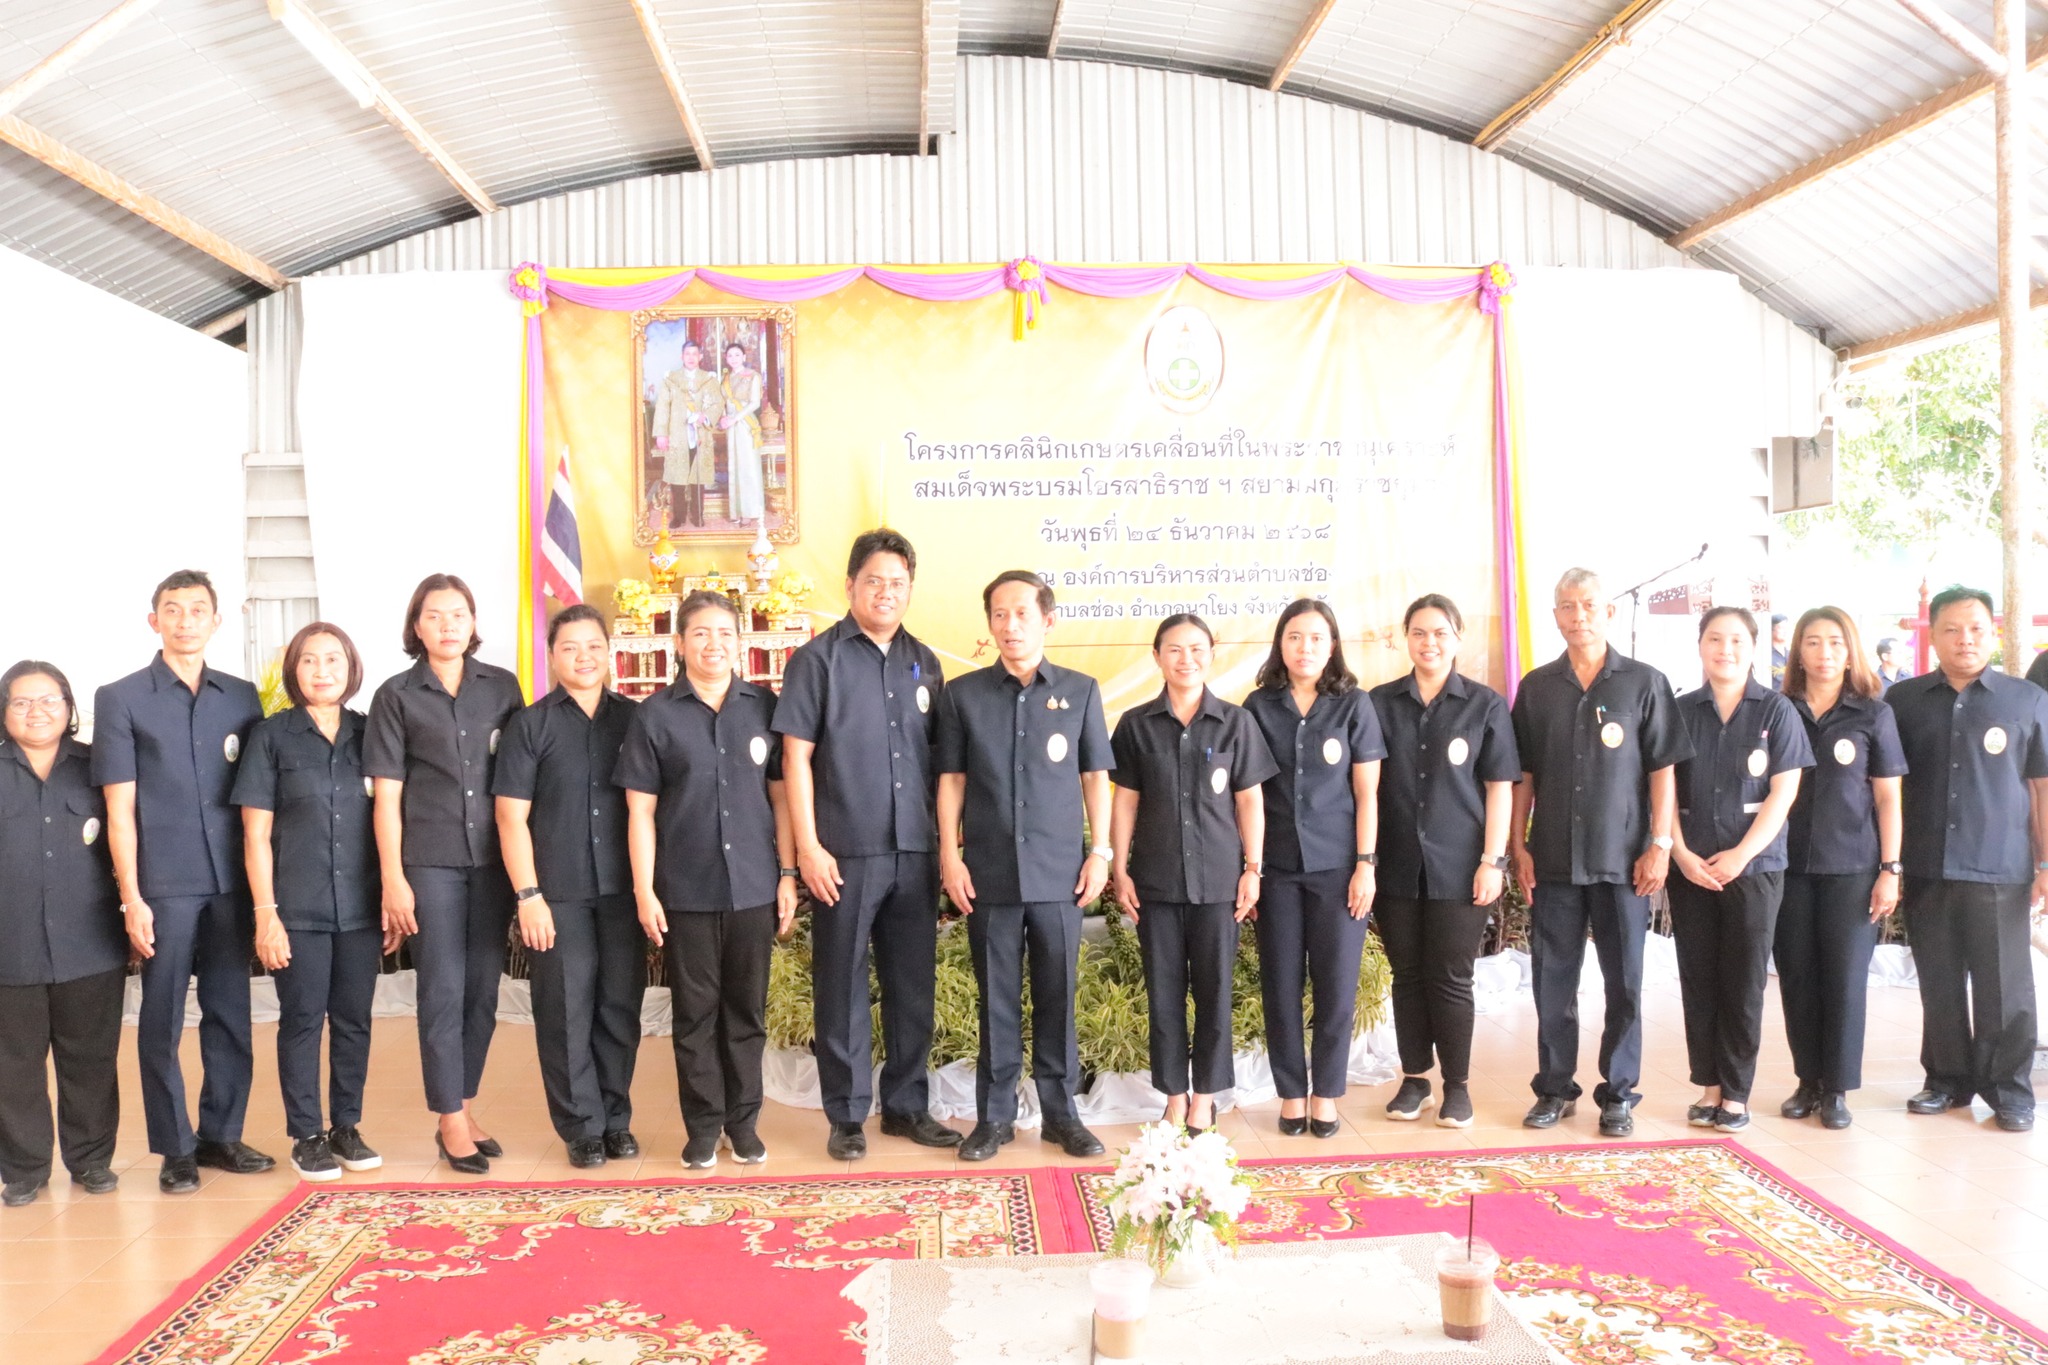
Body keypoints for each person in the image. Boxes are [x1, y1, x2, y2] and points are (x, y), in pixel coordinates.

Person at [773, 529, 958, 1159]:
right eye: (874, 581)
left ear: (910, 589)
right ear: (850, 584)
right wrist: (808, 848)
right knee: (842, 983)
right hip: (844, 853)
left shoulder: (924, 661)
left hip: (914, 850)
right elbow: (795, 759)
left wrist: (945, 846)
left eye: (898, 583)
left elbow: (940, 763)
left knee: (912, 984)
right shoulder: (816, 660)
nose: (886, 592)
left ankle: (907, 1107)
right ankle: (847, 1114)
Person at [93, 569, 270, 1193]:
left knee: (230, 1012)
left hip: (230, 882)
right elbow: (118, 810)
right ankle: (175, 1148)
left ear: (216, 621)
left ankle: (222, 1134)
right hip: (164, 884)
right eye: (173, 609)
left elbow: (257, 798)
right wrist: (131, 897)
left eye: (198, 609)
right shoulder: (121, 698)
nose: (185, 620)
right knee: (162, 1017)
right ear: (154, 621)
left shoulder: (242, 697)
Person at [935, 571, 1112, 1161]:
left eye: (1022, 614)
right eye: (999, 615)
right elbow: (952, 781)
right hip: (988, 873)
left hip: (1061, 873)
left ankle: (1062, 1116)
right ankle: (994, 1119)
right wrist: (950, 856)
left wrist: (1101, 852)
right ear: (989, 623)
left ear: (1047, 620)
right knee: (997, 1000)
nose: (1010, 625)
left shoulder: (1081, 691)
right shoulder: (963, 695)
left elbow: (1095, 777)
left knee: (1058, 997)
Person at [618, 591, 798, 1167]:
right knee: (694, 1015)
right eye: (700, 633)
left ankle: (742, 1123)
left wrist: (788, 873)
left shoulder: (764, 707)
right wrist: (645, 889)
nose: (713, 644)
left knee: (746, 1012)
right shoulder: (654, 715)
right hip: (685, 890)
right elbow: (640, 811)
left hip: (754, 887)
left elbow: (782, 798)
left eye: (724, 633)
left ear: (740, 642)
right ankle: (702, 1126)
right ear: (679, 643)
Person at [1509, 568, 1690, 1139]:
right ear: (1555, 616)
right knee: (1552, 982)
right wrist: (1517, 845)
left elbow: (1663, 771)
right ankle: (1554, 1088)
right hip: (1554, 859)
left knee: (1625, 983)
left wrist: (1660, 844)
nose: (1579, 615)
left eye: (1589, 604)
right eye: (1567, 606)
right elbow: (1524, 775)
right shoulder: (1537, 687)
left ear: (1609, 612)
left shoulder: (1645, 683)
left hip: (1625, 861)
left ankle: (1619, 1093)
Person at [364, 573, 526, 1173]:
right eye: (434, 616)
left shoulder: (502, 687)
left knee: (483, 989)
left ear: (473, 623)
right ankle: (449, 1118)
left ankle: (465, 1106)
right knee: (442, 989)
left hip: (492, 863)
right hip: (429, 863)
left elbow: (519, 780)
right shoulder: (396, 696)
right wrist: (392, 878)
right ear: (417, 626)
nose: (447, 626)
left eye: (458, 615)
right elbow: (386, 797)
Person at [1110, 613, 1278, 1135]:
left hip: (1220, 882)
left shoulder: (1236, 722)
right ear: (1157, 657)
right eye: (1175, 649)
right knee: (1163, 994)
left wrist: (1253, 869)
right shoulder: (1135, 725)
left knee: (1214, 991)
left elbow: (1250, 801)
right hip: (1156, 882)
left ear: (1211, 654)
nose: (1187, 659)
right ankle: (1174, 1098)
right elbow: (1125, 803)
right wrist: (1119, 868)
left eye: (1197, 649)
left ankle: (1205, 1097)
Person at [1887, 587, 2048, 1131]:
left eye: (1977, 628)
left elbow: (2042, 789)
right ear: (1933, 635)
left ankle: (2010, 1091)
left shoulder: (2026, 699)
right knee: (1939, 980)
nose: (1966, 640)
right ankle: (1946, 1081)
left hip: (2001, 865)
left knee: (2006, 985)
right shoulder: (1903, 701)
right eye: (1953, 629)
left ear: (1993, 632)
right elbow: (1887, 787)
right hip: (1926, 863)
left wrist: (2046, 865)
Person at [233, 623, 384, 1182]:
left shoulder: (371, 734)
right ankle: (307, 1135)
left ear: (351, 667)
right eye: (310, 661)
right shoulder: (271, 737)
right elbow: (254, 835)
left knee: (354, 1020)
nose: (323, 671)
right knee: (301, 1020)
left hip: (362, 906)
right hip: (296, 909)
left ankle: (346, 1127)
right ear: (294, 670)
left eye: (334, 660)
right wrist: (265, 914)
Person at [493, 604, 642, 1169]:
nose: (584, 657)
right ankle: (581, 1126)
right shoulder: (530, 725)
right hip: (557, 894)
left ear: (610, 653)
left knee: (619, 1007)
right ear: (552, 656)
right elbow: (510, 816)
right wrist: (528, 896)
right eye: (570, 648)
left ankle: (615, 1118)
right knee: (564, 1010)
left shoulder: (635, 720)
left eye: (594, 646)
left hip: (625, 891)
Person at [1368, 595, 1519, 1131]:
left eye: (1440, 633)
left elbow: (1499, 787)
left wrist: (1493, 861)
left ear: (1457, 638)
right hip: (1396, 864)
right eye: (1419, 632)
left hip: (1461, 867)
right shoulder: (1379, 703)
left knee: (1452, 976)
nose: (1429, 643)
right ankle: (1415, 1080)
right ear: (1405, 638)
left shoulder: (1484, 705)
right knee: (1407, 975)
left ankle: (1457, 1086)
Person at [1242, 599, 1386, 1138]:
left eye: (1316, 638)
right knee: (1280, 985)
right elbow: (1247, 795)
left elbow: (1367, 794)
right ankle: (1291, 1094)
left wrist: (1365, 865)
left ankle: (1325, 1094)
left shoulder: (1354, 705)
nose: (1305, 648)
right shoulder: (1258, 706)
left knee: (1336, 985)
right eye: (1295, 637)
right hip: (1276, 870)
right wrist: (1251, 867)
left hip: (1338, 869)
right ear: (1281, 643)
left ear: (1332, 646)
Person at [1666, 607, 1811, 1133]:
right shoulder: (1680, 710)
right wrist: (1680, 854)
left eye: (1735, 641)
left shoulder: (1776, 711)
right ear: (1700, 646)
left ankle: (1736, 1093)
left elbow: (1783, 792)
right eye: (1714, 639)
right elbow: (1663, 790)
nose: (1724, 650)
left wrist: (1742, 855)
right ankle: (1708, 1087)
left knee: (1744, 980)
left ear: (1753, 648)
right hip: (1692, 868)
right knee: (1699, 977)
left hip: (1755, 870)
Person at [0, 662, 125, 1206]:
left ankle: (92, 1160)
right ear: (5, 711)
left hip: (90, 940)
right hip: (10, 945)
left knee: (91, 1059)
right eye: (22, 702)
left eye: (49, 700)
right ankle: (24, 1169)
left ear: (69, 707)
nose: (37, 712)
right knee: (13, 1065)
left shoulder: (98, 767)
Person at [1777, 606, 1906, 1130]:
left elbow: (1888, 799)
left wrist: (1890, 869)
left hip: (1852, 868)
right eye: (1813, 642)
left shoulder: (1874, 713)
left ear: (1851, 651)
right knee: (1796, 977)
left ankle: (1837, 1089)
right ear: (1798, 652)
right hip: (1786, 866)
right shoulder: (1779, 710)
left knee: (1845, 980)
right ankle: (1807, 1080)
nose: (1824, 653)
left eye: (1835, 642)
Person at [653, 340, 723, 530]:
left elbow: (717, 403)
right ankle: (679, 516)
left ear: (700, 357)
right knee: (677, 477)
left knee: (698, 477)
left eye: (694, 354)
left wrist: (705, 416)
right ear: (682, 356)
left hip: (700, 435)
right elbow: (662, 407)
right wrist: (661, 434)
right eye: (687, 354)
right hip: (677, 434)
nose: (691, 357)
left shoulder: (709, 379)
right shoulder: (671, 379)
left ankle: (698, 515)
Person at [721, 342, 767, 526]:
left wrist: (735, 418)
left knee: (747, 467)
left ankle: (750, 511)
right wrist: (724, 418)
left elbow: (755, 403)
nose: (734, 358)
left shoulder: (753, 376)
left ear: (744, 357)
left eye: (737, 355)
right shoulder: (726, 378)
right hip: (730, 425)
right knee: (734, 466)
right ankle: (736, 511)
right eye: (730, 355)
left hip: (745, 424)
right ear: (726, 358)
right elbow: (723, 402)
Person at [1769, 614, 1791, 689]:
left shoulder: (1792, 655)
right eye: (1781, 628)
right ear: (1771, 630)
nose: (1785, 631)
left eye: (1787, 628)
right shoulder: (1766, 656)